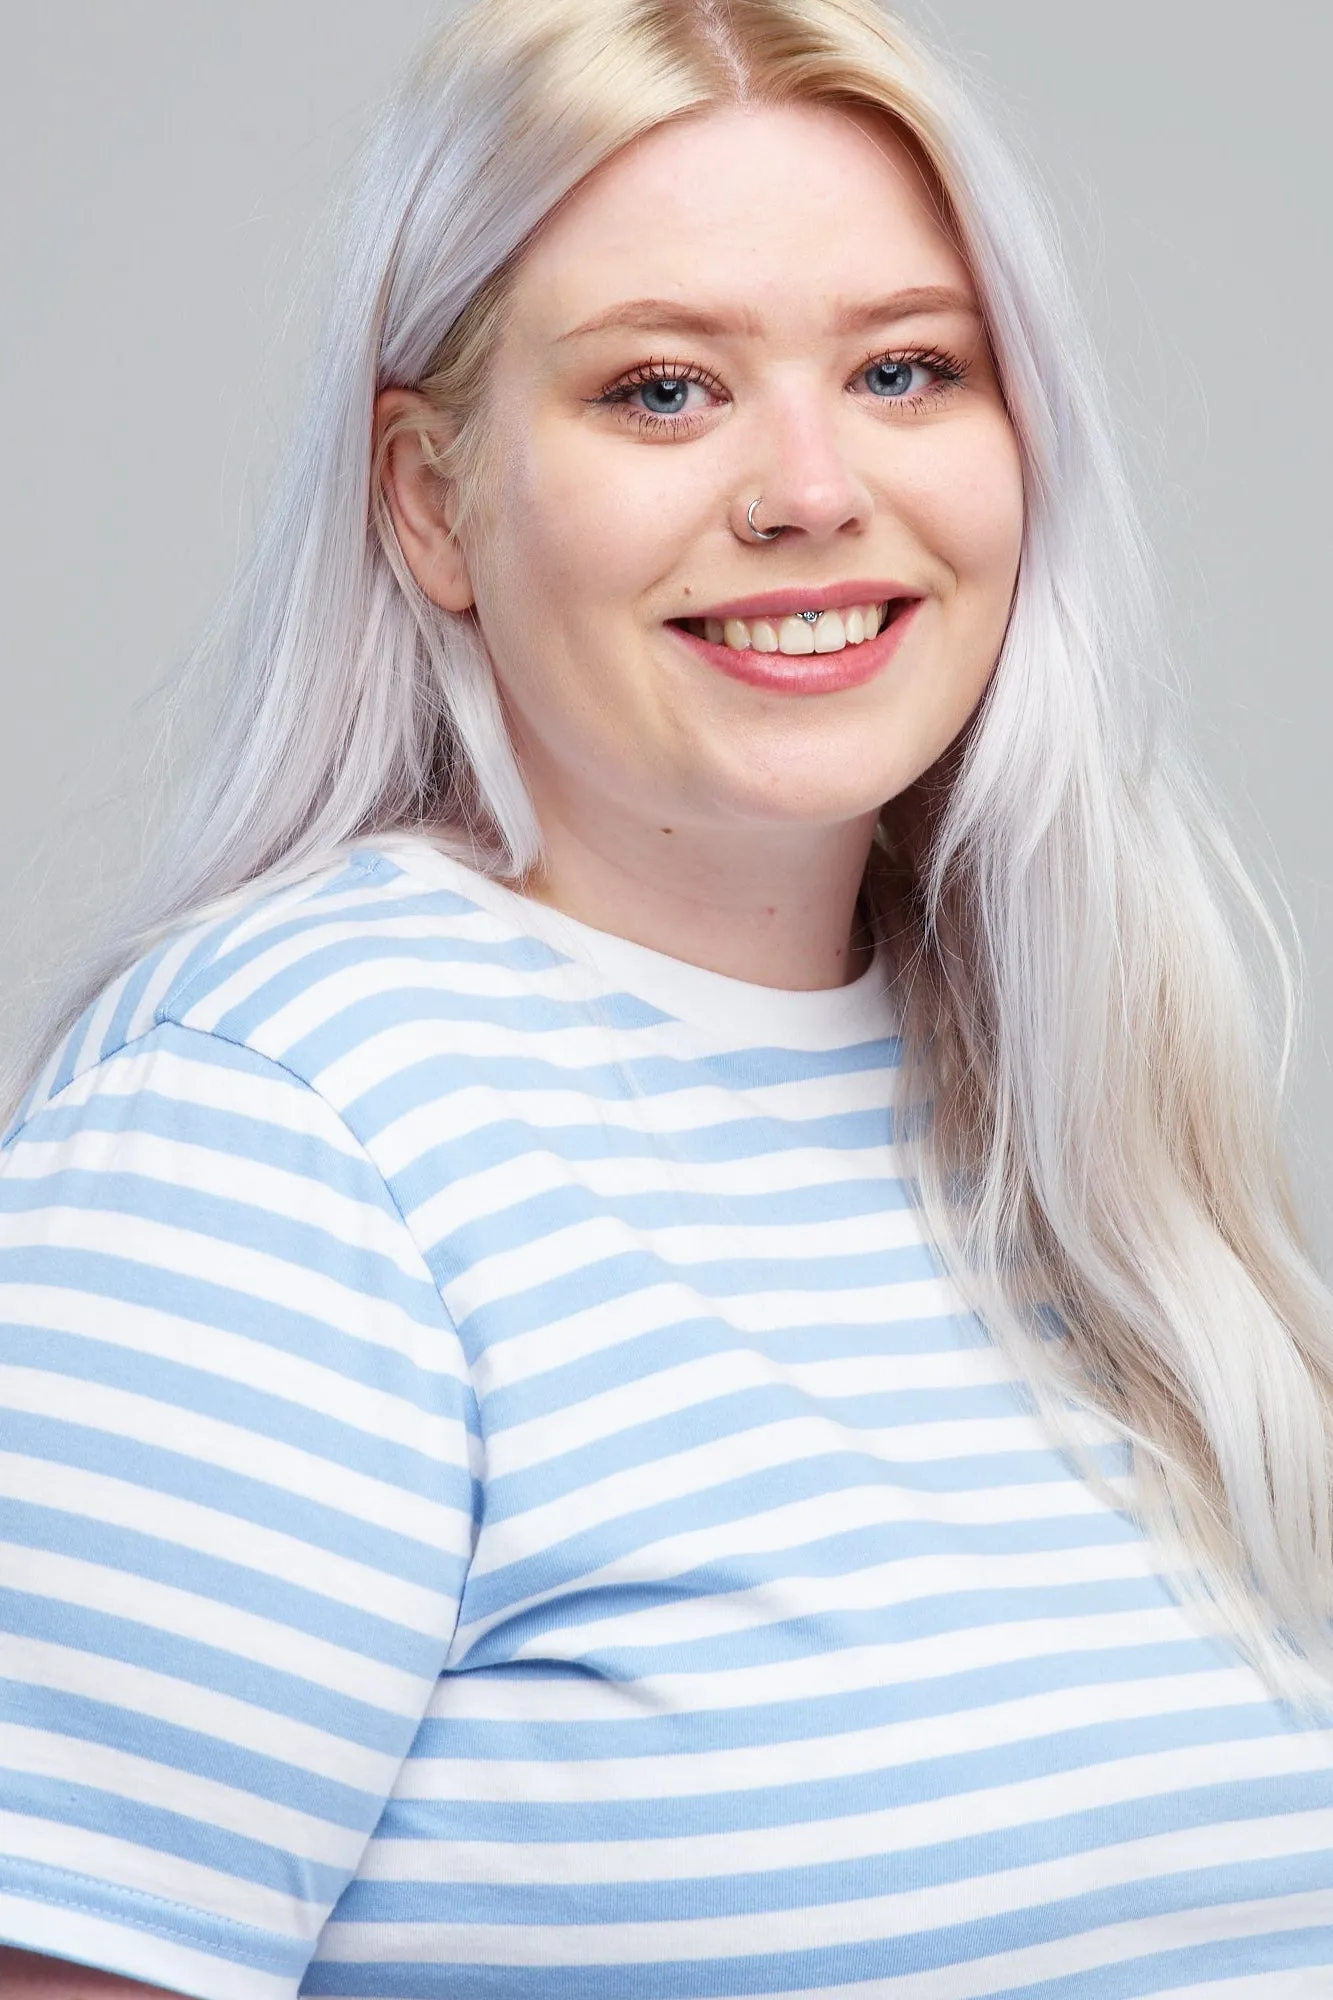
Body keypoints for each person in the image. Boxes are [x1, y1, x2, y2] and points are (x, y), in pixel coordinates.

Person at [2, 0, 1331, 1993]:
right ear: (433, 504)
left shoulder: (1063, 1105)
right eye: (660, 391)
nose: (810, 489)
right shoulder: (278, 1134)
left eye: (903, 368)